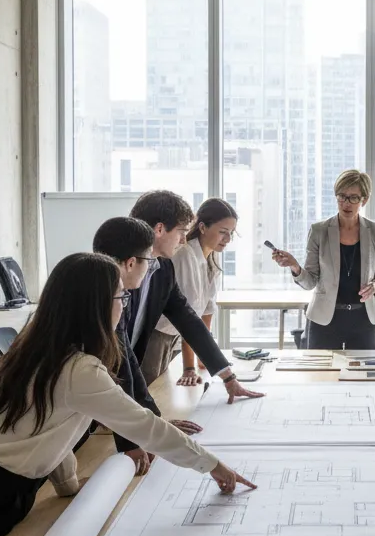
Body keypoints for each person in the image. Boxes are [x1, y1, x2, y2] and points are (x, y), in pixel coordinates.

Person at [0, 253, 256, 536]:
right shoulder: (80, 369)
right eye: (120, 296)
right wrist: (213, 465)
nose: (124, 305)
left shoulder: (39, 347)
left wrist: (69, 487)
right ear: (93, 304)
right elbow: (146, 428)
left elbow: (51, 429)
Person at [92, 216, 202, 476]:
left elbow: (126, 360)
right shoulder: (108, 302)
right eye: (148, 261)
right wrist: (134, 439)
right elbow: (113, 388)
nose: (152, 267)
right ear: (131, 263)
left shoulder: (108, 292)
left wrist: (152, 423)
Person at [128, 190, 263, 403]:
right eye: (181, 231)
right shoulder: (122, 271)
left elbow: (189, 319)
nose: (183, 239)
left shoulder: (162, 268)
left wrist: (227, 377)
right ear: (160, 229)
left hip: (146, 350)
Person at [269, 169, 375, 350]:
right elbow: (310, 282)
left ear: (364, 200)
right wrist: (295, 266)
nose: (346, 203)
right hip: (324, 320)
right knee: (320, 376)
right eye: (342, 196)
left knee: (363, 376)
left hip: (363, 320)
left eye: (353, 198)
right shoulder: (319, 231)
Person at [168, 197, 238, 388]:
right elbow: (186, 316)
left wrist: (205, 357)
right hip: (163, 336)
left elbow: (207, 311)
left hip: (182, 339)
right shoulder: (185, 255)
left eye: (231, 233)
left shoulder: (212, 256)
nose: (228, 239)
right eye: (223, 232)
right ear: (202, 227)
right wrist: (189, 367)